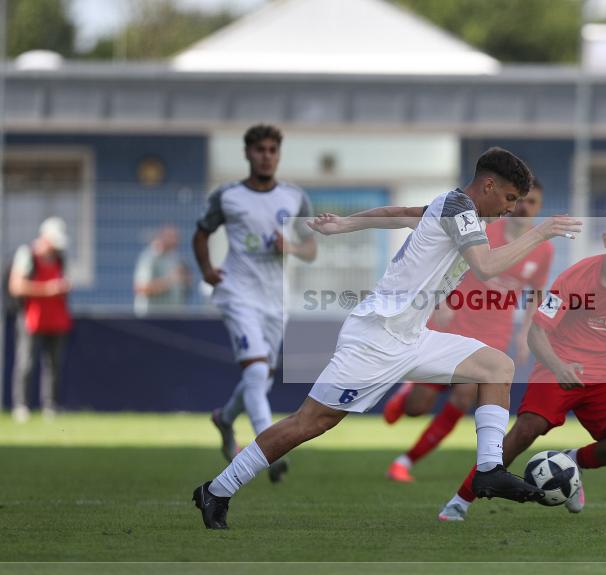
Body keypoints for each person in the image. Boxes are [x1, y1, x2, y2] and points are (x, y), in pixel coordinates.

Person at [192, 147, 582, 529]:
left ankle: (488, 470)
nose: (513, 209)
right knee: (309, 422)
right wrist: (540, 233)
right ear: (489, 185)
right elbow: (485, 264)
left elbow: (399, 214)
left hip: (412, 336)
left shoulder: (454, 208)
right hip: (377, 337)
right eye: (511, 199)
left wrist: (346, 224)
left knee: (497, 366)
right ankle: (218, 489)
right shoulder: (461, 208)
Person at [438, 209, 606, 522]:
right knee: (523, 432)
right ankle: (460, 501)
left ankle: (571, 462)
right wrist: (559, 366)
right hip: (559, 364)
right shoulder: (575, 278)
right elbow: (537, 333)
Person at [383, 178, 554, 483]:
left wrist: (526, 330)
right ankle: (409, 392)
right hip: (456, 318)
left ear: (539, 207)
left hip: (493, 333)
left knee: (463, 397)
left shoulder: (542, 250)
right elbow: (449, 261)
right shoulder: (488, 227)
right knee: (416, 408)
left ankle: (404, 461)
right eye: (521, 200)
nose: (524, 207)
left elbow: (536, 293)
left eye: (532, 202)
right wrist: (442, 301)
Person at [193, 123, 317, 483]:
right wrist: (206, 269)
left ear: (278, 155)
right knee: (255, 371)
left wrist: (291, 247)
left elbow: (310, 248)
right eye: (260, 150)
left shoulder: (295, 197)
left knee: (260, 378)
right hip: (237, 292)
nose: (266, 156)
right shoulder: (228, 195)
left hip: (274, 300)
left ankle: (225, 418)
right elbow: (201, 233)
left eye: (272, 150)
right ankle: (268, 449)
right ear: (247, 153)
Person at [7, 217, 72, 423]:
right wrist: (47, 289)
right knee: (26, 361)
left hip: (55, 316)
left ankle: (50, 405)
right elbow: (16, 286)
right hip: (31, 316)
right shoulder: (27, 255)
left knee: (53, 363)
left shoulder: (60, 258)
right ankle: (21, 405)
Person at [133, 225, 190, 316]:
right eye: (172, 237)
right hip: (153, 318)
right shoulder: (149, 258)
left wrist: (186, 280)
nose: (176, 241)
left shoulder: (176, 258)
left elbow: (184, 288)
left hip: (174, 317)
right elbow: (141, 288)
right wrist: (170, 280)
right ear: (163, 237)